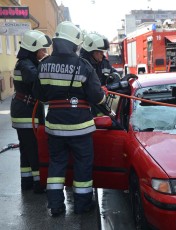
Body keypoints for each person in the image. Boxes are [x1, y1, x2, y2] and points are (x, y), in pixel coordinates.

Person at [33, 21, 107, 217]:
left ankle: (56, 206)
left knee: (56, 164)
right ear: (74, 43)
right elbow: (97, 97)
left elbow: (40, 96)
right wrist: (104, 96)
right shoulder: (83, 66)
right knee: (83, 165)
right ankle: (82, 205)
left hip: (54, 126)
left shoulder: (44, 65)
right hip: (80, 128)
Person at [11, 30, 52, 194]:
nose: (44, 53)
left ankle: (26, 181)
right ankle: (38, 184)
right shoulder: (26, 64)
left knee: (26, 149)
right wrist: (47, 64)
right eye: (42, 50)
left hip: (24, 110)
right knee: (33, 148)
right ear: (33, 49)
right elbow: (37, 79)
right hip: (26, 113)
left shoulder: (26, 62)